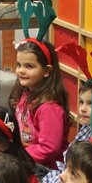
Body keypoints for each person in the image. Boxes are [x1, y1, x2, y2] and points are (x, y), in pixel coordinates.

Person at [9, 38, 70, 168]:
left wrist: (18, 155)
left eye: (29, 66)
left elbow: (49, 148)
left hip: (46, 169)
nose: (21, 70)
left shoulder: (50, 108)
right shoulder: (25, 93)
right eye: (19, 65)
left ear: (46, 71)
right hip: (27, 159)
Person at [41, 79, 92, 183]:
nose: (83, 109)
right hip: (61, 175)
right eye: (81, 102)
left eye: (91, 104)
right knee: (30, 170)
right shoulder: (87, 128)